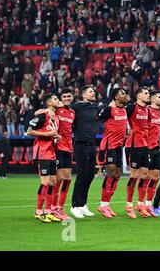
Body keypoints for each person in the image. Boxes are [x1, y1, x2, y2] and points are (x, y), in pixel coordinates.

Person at [35, 89, 75, 220]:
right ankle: (50, 208)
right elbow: (38, 113)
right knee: (56, 180)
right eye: (63, 97)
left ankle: (59, 208)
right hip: (56, 148)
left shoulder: (72, 112)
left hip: (68, 147)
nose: (66, 98)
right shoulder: (55, 110)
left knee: (67, 179)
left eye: (69, 96)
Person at [26, 93, 62, 223]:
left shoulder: (56, 118)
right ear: (48, 103)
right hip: (42, 153)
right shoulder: (42, 116)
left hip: (52, 154)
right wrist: (47, 134)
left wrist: (56, 137)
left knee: (52, 183)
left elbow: (53, 134)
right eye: (55, 99)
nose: (58, 100)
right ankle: (38, 211)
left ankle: (48, 211)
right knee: (45, 183)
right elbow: (29, 131)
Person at [97, 88, 128, 218]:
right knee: (110, 174)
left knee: (117, 175)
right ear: (115, 97)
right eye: (122, 94)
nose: (125, 95)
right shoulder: (109, 110)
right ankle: (103, 205)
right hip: (108, 145)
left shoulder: (125, 109)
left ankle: (107, 204)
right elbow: (97, 117)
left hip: (119, 147)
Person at [70, 85, 98, 219]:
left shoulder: (95, 107)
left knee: (90, 175)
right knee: (82, 174)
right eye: (90, 91)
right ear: (84, 95)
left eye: (94, 91)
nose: (94, 93)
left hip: (92, 144)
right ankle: (74, 205)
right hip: (80, 144)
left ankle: (83, 204)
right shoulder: (77, 107)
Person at [124, 87, 150, 219]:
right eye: (146, 93)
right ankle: (129, 204)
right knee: (134, 175)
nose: (148, 95)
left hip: (145, 145)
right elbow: (121, 118)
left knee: (145, 174)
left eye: (148, 93)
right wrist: (126, 130)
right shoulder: (131, 108)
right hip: (133, 145)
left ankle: (140, 203)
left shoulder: (147, 109)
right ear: (139, 97)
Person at [142, 91, 160, 216]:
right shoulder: (147, 111)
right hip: (148, 148)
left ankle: (148, 204)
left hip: (158, 148)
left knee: (156, 177)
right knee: (145, 177)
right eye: (159, 97)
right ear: (152, 99)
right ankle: (140, 204)